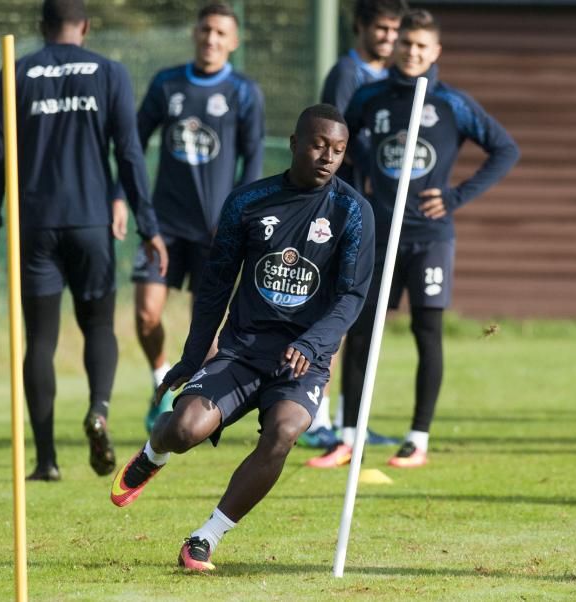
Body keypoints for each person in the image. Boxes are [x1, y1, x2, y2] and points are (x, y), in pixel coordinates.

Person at [110, 104, 374, 571]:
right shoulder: (248, 202)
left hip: (303, 359)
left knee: (285, 431)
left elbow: (352, 296)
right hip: (241, 350)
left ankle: (205, 538)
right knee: (184, 430)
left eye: (338, 150)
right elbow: (214, 287)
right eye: (317, 145)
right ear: (294, 143)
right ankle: (153, 455)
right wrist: (194, 357)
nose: (327, 156)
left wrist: (312, 345)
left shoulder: (353, 211)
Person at [308, 9, 519, 469]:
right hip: (378, 235)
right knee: (360, 332)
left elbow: (505, 148)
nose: (412, 52)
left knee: (428, 333)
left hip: (429, 238)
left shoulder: (452, 103)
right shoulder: (370, 96)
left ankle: (417, 438)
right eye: (406, 44)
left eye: (423, 46)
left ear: (435, 52)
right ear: (395, 45)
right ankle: (348, 435)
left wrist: (457, 196)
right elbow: (341, 144)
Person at [0, 0, 167, 482]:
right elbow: (129, 153)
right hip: (91, 225)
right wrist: (149, 226)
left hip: (34, 226)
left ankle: (46, 460)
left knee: (39, 339)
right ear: (84, 26)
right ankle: (98, 410)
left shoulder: (16, 71)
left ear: (42, 28)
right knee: (99, 326)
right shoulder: (110, 72)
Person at [123, 1, 264, 433]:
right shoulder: (167, 84)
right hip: (163, 226)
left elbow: (253, 158)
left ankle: (192, 405)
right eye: (206, 30)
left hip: (215, 229)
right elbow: (131, 144)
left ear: (233, 42)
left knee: (206, 326)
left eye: (222, 33)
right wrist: (119, 197)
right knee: (147, 314)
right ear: (195, 34)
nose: (212, 39)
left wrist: (243, 215)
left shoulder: (244, 92)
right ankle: (159, 382)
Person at [299, 0, 406, 449]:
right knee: (332, 312)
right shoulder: (348, 74)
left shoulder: (394, 77)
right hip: (340, 210)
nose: (388, 38)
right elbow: (331, 140)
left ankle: (348, 419)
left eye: (394, 30)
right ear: (360, 28)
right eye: (381, 29)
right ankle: (315, 417)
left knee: (358, 316)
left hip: (372, 212)